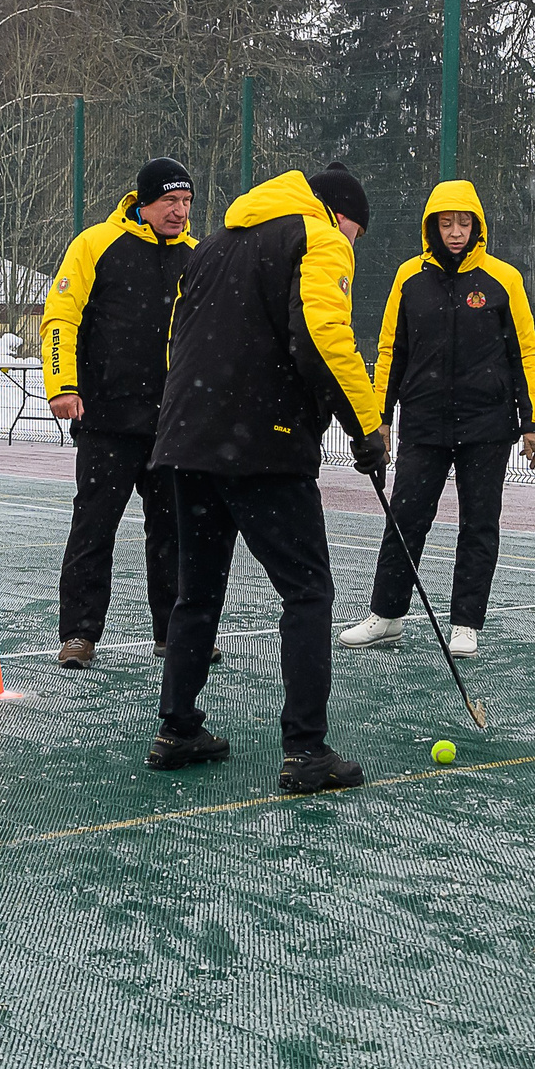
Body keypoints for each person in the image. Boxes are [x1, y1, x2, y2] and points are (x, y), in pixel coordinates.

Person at [146, 162, 388, 794]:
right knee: (307, 593)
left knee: (196, 593)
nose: (352, 248)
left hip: (188, 441)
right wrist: (366, 426)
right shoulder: (318, 237)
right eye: (356, 234)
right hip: (263, 447)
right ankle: (306, 751)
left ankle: (178, 730)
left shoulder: (215, 245)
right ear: (340, 217)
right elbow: (322, 335)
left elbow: (181, 342)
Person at [339, 181, 535, 658]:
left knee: (479, 524)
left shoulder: (504, 280)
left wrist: (533, 422)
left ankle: (465, 624)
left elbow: (525, 354)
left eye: (464, 222)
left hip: (487, 426)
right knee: (406, 517)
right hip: (424, 422)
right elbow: (391, 350)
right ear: (431, 226)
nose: (455, 232)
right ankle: (387, 616)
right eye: (446, 222)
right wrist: (381, 418)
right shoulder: (408, 278)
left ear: (477, 226)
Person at [41, 157, 210, 670]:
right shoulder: (95, 245)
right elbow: (60, 317)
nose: (179, 212)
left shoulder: (199, 257)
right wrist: (62, 385)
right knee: (94, 527)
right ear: (142, 203)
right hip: (107, 421)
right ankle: (79, 635)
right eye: (169, 202)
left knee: (174, 533)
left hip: (172, 427)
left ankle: (172, 634)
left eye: (186, 203)